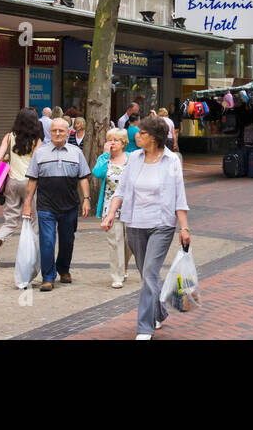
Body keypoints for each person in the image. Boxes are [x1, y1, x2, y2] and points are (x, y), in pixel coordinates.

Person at [102, 115, 190, 339]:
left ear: (154, 137)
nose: (137, 136)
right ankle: (159, 311)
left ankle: (144, 327)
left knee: (150, 273)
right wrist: (111, 214)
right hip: (135, 223)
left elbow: (180, 196)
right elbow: (120, 190)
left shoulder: (171, 161)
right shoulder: (134, 158)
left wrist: (184, 228)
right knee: (146, 275)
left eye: (142, 133)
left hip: (161, 225)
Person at [22, 117, 92, 291]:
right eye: (54, 130)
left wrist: (86, 199)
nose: (58, 133)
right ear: (50, 132)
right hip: (46, 206)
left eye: (61, 130)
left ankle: (63, 269)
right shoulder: (40, 153)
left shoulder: (76, 152)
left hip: (69, 206)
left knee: (67, 241)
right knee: (47, 241)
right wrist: (27, 204)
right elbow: (32, 181)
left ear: (68, 132)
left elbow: (83, 178)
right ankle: (48, 277)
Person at [0, 110, 43, 269]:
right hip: (29, 183)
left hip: (11, 182)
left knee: (10, 220)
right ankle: (31, 257)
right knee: (33, 221)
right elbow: (37, 161)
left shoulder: (9, 136)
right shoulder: (36, 140)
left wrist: (8, 158)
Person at [92, 127, 131, 288]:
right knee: (115, 242)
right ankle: (117, 276)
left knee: (130, 243)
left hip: (130, 207)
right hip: (110, 207)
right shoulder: (104, 158)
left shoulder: (132, 158)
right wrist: (106, 155)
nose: (112, 143)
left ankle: (124, 267)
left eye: (115, 140)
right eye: (110, 140)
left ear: (123, 143)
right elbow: (98, 173)